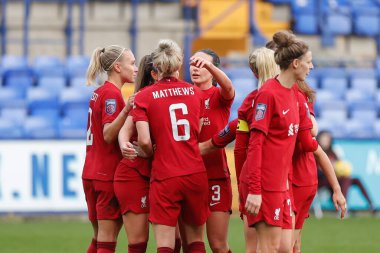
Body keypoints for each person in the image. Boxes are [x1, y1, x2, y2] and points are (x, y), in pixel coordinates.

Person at [244, 31, 320, 253]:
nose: (312, 67)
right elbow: (256, 145)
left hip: (283, 186)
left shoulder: (294, 94)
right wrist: (255, 190)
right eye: (309, 62)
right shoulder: (267, 94)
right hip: (266, 187)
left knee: (286, 248)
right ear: (295, 63)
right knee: (269, 248)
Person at [133, 39, 209, 253]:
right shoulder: (196, 93)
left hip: (165, 174)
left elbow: (145, 140)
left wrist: (148, 153)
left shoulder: (144, 96)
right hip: (194, 172)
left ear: (156, 67)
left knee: (165, 245)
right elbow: (199, 130)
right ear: (178, 65)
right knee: (195, 242)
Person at [82, 45, 137, 253]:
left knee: (98, 238)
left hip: (91, 172)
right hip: (105, 174)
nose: (136, 68)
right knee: (107, 237)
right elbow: (107, 134)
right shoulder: (112, 96)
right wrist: (127, 109)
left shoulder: (99, 92)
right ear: (117, 67)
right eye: (131, 63)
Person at [190, 48, 235, 253]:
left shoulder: (218, 95)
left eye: (202, 64)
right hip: (188, 176)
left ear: (213, 69)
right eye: (193, 64)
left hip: (216, 176)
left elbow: (228, 86)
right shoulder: (184, 94)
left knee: (218, 244)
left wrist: (207, 64)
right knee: (191, 243)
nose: (196, 68)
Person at [114, 54, 157, 253]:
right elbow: (127, 130)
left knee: (172, 239)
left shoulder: (175, 93)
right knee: (139, 243)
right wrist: (125, 145)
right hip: (136, 173)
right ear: (155, 73)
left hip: (162, 174)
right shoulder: (143, 97)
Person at [317, 130, 374, 211]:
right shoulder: (316, 151)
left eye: (327, 139)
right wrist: (327, 168)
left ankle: (370, 204)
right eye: (323, 139)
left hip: (334, 179)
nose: (325, 141)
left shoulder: (333, 153)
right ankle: (343, 206)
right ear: (318, 139)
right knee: (345, 179)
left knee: (354, 179)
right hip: (322, 180)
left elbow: (339, 166)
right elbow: (315, 170)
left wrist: (339, 169)